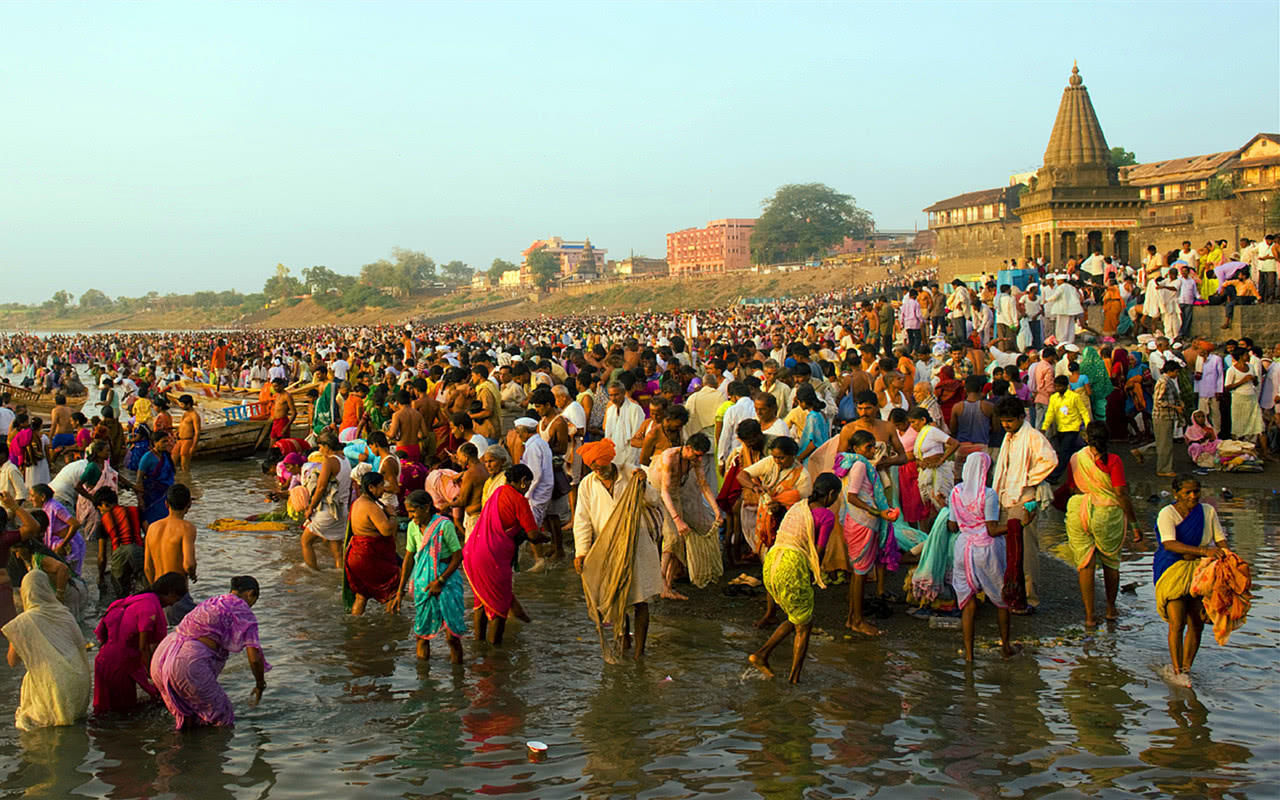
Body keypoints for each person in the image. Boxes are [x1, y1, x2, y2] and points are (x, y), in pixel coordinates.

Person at [573, 438, 664, 661]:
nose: (598, 471)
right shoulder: (588, 484)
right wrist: (581, 552)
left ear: (610, 461)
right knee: (616, 596)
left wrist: (644, 484)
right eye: (594, 467)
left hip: (637, 544)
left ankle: (639, 652)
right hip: (608, 547)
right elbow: (582, 520)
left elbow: (655, 500)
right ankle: (623, 640)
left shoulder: (632, 473)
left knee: (640, 599)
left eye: (601, 466)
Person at [748, 473, 840, 684]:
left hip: (771, 562)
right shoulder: (825, 515)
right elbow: (820, 549)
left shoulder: (798, 506)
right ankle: (794, 680)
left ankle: (762, 655)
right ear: (832, 494)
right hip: (791, 565)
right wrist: (815, 575)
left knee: (798, 616)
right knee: (804, 625)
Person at [150, 576, 269, 729]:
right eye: (254, 601)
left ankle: (182, 750)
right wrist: (260, 684)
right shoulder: (243, 610)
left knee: (190, 718)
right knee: (223, 718)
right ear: (251, 593)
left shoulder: (213, 602)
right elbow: (255, 658)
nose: (251, 606)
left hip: (162, 655)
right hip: (187, 662)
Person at [1152, 477, 1230, 685]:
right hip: (1173, 569)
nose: (1193, 496)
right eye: (1187, 492)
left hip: (1200, 571)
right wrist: (1204, 550)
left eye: (1196, 491)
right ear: (1176, 493)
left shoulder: (1207, 512)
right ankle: (1176, 670)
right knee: (1177, 622)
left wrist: (1228, 558)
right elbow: (1169, 544)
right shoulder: (1167, 514)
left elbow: (1220, 539)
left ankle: (1186, 669)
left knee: (1197, 623)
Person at [1064, 423, 1141, 627]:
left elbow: (1072, 488)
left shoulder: (1075, 458)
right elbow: (1121, 494)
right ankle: (1110, 608)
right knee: (1111, 561)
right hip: (1106, 513)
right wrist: (1135, 525)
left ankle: (1089, 616)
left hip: (1078, 511)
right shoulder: (1113, 461)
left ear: (1086, 438)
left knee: (1085, 563)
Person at [462, 465, 547, 645]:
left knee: (481, 601)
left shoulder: (497, 492)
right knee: (499, 607)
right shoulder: (519, 500)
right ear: (523, 482)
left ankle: (479, 644)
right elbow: (533, 534)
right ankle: (495, 654)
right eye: (529, 484)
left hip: (472, 551)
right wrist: (548, 540)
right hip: (492, 555)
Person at [990, 397, 1057, 614]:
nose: (1005, 425)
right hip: (1004, 497)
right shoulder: (1009, 436)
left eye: (1009, 421)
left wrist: (1027, 478)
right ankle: (1008, 593)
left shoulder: (1033, 436)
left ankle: (1029, 598)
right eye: (1003, 421)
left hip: (1024, 499)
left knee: (1025, 552)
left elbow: (1050, 460)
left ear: (1021, 417)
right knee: (1004, 549)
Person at [949, 452, 1017, 662]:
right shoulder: (988, 495)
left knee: (967, 602)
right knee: (1001, 599)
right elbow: (992, 529)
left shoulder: (956, 492)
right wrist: (1018, 525)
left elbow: (952, 526)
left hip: (963, 548)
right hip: (987, 550)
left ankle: (969, 654)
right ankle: (1005, 646)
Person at [2, 571, 90, 730]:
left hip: (54, 690)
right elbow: (80, 646)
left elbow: (12, 661)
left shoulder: (23, 622)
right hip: (79, 687)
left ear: (25, 592)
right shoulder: (65, 614)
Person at [92, 572, 189, 714]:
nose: (175, 603)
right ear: (170, 593)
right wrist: (156, 678)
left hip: (104, 660)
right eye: (176, 599)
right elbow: (143, 648)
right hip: (120, 665)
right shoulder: (149, 607)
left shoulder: (137, 599)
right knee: (123, 713)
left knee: (104, 711)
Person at [392, 489, 465, 663]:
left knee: (451, 637)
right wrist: (400, 591)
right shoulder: (412, 527)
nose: (410, 516)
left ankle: (458, 679)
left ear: (426, 508)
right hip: (423, 585)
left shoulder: (443, 525)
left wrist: (440, 581)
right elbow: (409, 558)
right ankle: (422, 679)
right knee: (421, 635)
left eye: (413, 511)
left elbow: (457, 556)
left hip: (447, 583)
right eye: (408, 512)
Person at [650, 433, 723, 600]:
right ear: (688, 448)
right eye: (697, 455)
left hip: (675, 493)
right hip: (660, 493)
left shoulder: (694, 460)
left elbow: (704, 485)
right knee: (672, 537)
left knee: (680, 538)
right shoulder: (670, 457)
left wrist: (716, 510)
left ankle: (668, 584)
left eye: (701, 456)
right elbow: (664, 491)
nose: (698, 459)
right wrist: (677, 519)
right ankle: (662, 583)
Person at [343, 471, 402, 616]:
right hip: (370, 557)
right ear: (371, 487)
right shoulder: (371, 507)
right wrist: (393, 514)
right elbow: (387, 531)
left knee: (361, 595)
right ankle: (391, 628)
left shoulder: (357, 503)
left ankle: (356, 628)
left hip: (355, 555)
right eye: (381, 486)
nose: (384, 489)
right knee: (392, 590)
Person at [143, 483, 198, 625]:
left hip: (158, 594)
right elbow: (189, 564)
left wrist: (156, 592)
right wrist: (192, 574)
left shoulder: (152, 527)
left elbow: (147, 567)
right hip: (177, 594)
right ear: (189, 504)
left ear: (166, 504)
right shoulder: (187, 528)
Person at [301, 431, 351, 571]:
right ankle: (339, 574)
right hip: (342, 509)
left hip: (328, 510)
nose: (319, 450)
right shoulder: (344, 459)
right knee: (336, 547)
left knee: (306, 541)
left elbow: (321, 488)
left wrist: (311, 507)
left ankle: (312, 574)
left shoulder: (329, 461)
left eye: (320, 447)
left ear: (327, 446)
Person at [1131, 360, 1184, 477]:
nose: (1177, 374)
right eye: (1176, 371)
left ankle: (1141, 451)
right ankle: (1164, 469)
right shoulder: (1163, 382)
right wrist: (1175, 407)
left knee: (1163, 442)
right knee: (1165, 444)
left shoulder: (1167, 381)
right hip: (1162, 416)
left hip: (1166, 415)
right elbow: (1159, 401)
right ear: (1170, 371)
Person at [94, 487, 146, 599]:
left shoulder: (103, 522)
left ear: (104, 504)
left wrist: (101, 576)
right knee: (146, 588)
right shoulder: (135, 510)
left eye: (100, 509)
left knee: (121, 594)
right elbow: (149, 534)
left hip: (119, 553)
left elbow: (101, 557)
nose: (101, 513)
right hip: (138, 550)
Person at [1042, 375, 1090, 483]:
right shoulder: (1054, 398)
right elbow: (1050, 413)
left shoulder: (1074, 397)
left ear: (1065, 386)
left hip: (1072, 428)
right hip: (1060, 429)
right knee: (1069, 453)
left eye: (1059, 386)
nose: (1057, 389)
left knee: (1064, 453)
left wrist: (1088, 426)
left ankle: (1054, 476)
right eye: (1056, 386)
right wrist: (1044, 427)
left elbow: (1083, 412)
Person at [136, 430, 177, 526]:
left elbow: (171, 475)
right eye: (163, 441)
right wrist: (140, 499)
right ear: (155, 442)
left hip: (166, 493)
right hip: (152, 495)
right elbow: (139, 480)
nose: (166, 444)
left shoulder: (166, 455)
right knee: (152, 521)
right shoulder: (147, 457)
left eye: (167, 441)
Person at [173, 395, 200, 473]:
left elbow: (197, 432)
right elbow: (182, 425)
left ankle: (187, 481)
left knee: (184, 465)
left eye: (182, 404)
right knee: (173, 460)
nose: (180, 406)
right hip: (179, 440)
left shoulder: (194, 415)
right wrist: (177, 432)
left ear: (188, 404)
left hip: (188, 441)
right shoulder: (185, 413)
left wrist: (193, 447)